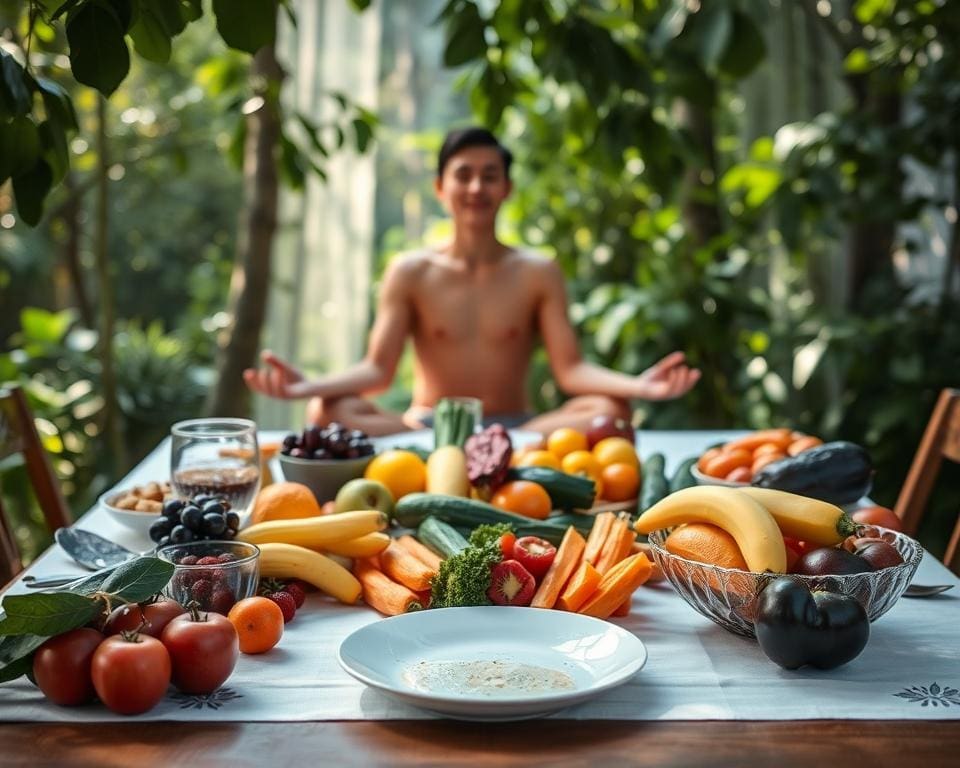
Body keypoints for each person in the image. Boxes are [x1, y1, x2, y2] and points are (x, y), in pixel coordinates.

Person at [244, 127, 700, 436]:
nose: (477, 188)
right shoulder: (410, 271)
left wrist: (639, 386)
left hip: (517, 429)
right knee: (325, 412)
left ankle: (503, 453)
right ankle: (434, 451)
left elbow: (571, 371)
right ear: (441, 188)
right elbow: (377, 372)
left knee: (612, 413)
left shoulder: (539, 271)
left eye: (490, 176)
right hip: (427, 429)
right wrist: (309, 386)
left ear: (507, 189)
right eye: (464, 176)